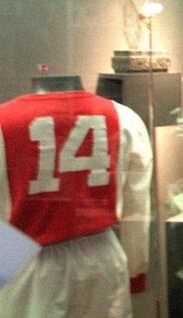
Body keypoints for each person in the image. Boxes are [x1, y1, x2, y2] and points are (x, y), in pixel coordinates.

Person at [0, 85, 153, 317]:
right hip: (101, 255)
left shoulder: (4, 121)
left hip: (24, 258)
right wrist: (135, 269)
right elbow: (136, 206)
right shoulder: (124, 118)